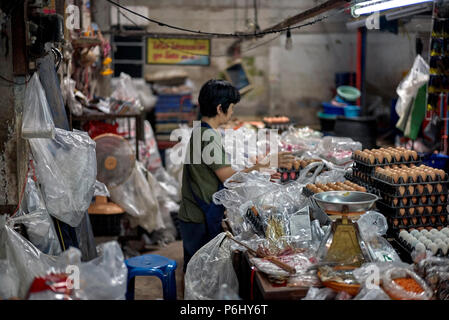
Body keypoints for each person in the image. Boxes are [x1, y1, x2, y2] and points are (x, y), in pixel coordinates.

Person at [178, 79, 293, 273]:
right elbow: (229, 178)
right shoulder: (208, 137)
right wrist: (266, 163)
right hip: (199, 217)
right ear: (220, 108)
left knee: (198, 268)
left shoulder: (202, 131)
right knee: (201, 271)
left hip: (195, 212)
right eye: (231, 108)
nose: (232, 113)